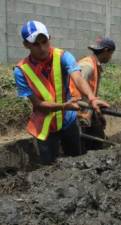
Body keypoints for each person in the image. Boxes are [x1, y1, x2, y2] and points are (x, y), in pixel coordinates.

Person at [13, 20, 109, 165]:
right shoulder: (21, 70)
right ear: (26, 45)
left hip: (68, 121)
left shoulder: (63, 56)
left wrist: (91, 98)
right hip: (45, 126)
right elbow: (37, 104)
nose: (42, 48)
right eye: (36, 44)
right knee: (48, 168)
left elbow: (77, 77)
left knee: (77, 161)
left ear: (49, 38)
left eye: (44, 41)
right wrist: (64, 106)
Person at [69, 37, 116, 150]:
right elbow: (75, 87)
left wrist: (96, 115)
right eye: (111, 53)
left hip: (87, 111)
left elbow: (89, 93)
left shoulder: (94, 64)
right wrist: (79, 115)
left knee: (97, 141)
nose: (111, 57)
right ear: (106, 51)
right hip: (78, 114)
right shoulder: (88, 66)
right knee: (83, 148)